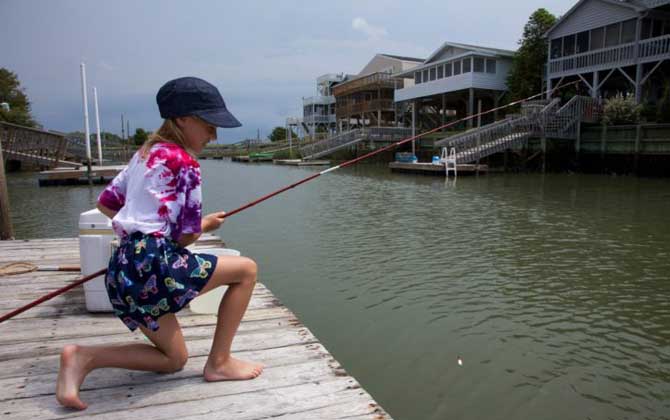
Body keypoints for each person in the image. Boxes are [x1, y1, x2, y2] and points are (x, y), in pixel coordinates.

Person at [56, 77, 263, 410]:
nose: (214, 135)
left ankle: (83, 357)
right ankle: (220, 362)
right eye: (209, 125)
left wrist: (143, 229)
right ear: (182, 119)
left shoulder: (145, 154)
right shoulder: (185, 163)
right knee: (247, 270)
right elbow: (187, 236)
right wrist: (203, 224)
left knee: (174, 359)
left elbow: (107, 204)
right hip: (154, 265)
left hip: (123, 270)